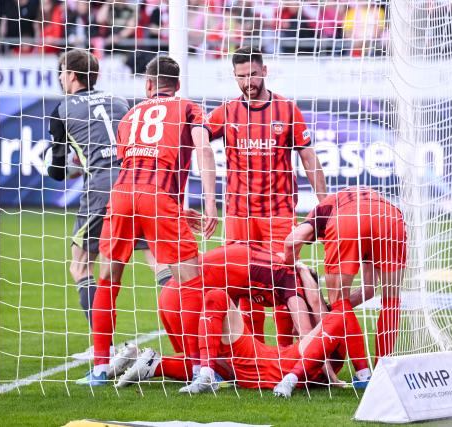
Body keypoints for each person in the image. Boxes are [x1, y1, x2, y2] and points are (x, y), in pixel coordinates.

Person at [77, 55, 218, 386]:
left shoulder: (129, 115)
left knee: (108, 278)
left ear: (149, 85)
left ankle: (99, 366)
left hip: (122, 194)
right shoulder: (188, 108)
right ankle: (201, 368)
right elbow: (204, 150)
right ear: (177, 85)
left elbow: (135, 164)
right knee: (191, 280)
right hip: (158, 197)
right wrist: (210, 203)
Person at [47, 50, 172, 355]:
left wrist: (81, 165)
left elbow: (57, 171)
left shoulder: (62, 110)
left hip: (101, 190)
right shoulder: (120, 102)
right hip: (138, 184)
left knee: (82, 264)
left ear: (71, 75)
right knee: (158, 261)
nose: (61, 79)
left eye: (62, 73)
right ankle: (191, 338)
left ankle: (103, 346)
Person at [207, 46, 327, 344]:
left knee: (285, 281)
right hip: (238, 215)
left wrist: (325, 206)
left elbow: (309, 158)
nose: (248, 82)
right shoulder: (226, 112)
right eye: (241, 77)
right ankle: (254, 350)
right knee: (242, 282)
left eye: (252, 75)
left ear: (264, 71)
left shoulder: (287, 109)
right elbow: (195, 139)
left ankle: (288, 351)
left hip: (278, 213)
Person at [116, 285, 348, 394]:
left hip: (259, 366)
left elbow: (329, 314)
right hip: (253, 364)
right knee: (217, 302)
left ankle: (167, 366)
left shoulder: (316, 348)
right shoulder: (313, 352)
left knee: (216, 298)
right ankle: (156, 364)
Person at [284, 186, 407, 388]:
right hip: (390, 217)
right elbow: (368, 289)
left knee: (340, 301)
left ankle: (364, 374)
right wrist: (333, 313)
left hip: (346, 219)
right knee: (391, 299)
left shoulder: (321, 210)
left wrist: (290, 267)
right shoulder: (368, 199)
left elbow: (291, 242)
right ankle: (384, 372)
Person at [156, 242, 325, 378]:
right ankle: (153, 365)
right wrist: (329, 376)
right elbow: (307, 335)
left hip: (171, 297)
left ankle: (139, 359)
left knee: (219, 361)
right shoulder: (292, 284)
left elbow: (231, 295)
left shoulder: (273, 266)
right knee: (231, 369)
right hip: (184, 301)